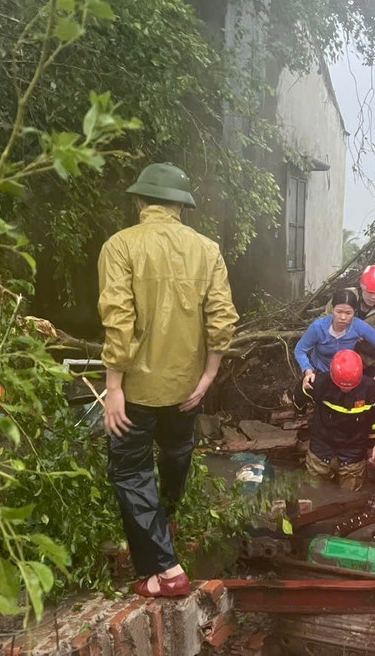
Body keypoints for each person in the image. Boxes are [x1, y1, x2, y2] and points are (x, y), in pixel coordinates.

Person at [98, 163, 238, 598]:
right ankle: (167, 520)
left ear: (141, 201)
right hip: (187, 386)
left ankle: (166, 570)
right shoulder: (207, 249)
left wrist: (114, 388)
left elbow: (119, 323)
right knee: (177, 450)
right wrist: (209, 375)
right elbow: (222, 319)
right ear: (180, 206)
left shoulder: (120, 246)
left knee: (130, 470)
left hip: (138, 389)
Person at [293, 350, 375, 491]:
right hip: (322, 446)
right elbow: (299, 398)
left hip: (353, 449)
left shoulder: (371, 389)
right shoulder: (320, 383)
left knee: (350, 493)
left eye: (350, 386)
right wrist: (302, 386)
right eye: (343, 386)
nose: (346, 389)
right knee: (314, 489)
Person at [295, 289, 375, 396]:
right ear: (332, 309)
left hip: (347, 372)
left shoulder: (358, 326)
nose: (343, 317)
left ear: (354, 312)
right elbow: (300, 350)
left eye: (348, 313)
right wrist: (308, 371)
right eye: (339, 312)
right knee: (309, 394)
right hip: (321, 371)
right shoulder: (318, 327)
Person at [324, 264, 375, 346]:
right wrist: (344, 331)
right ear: (362, 287)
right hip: (334, 347)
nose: (373, 297)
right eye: (369, 292)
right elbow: (323, 323)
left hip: (366, 354)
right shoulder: (343, 297)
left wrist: (368, 338)